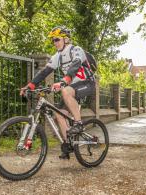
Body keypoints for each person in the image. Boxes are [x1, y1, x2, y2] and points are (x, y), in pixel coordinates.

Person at [20, 26, 95, 159]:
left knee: (65, 91)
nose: (54, 43)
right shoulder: (57, 56)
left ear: (66, 39)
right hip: (71, 87)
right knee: (59, 115)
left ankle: (78, 123)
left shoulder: (76, 50)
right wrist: (30, 85)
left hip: (87, 83)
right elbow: (44, 72)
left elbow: (75, 65)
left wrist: (64, 80)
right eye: (53, 41)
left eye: (57, 39)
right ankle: (68, 145)